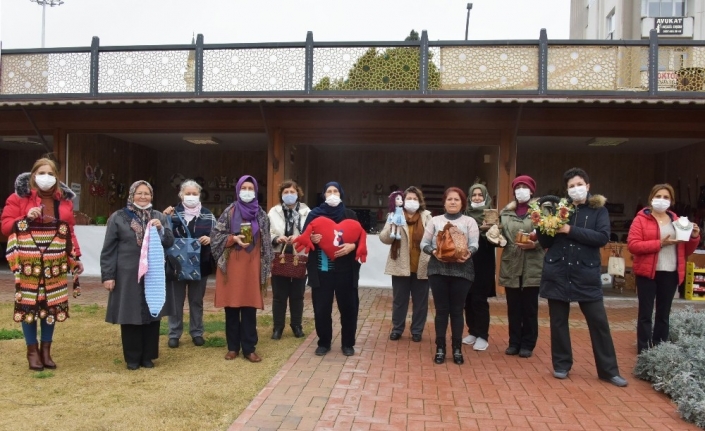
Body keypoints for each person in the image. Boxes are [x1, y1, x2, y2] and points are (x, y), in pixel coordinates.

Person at [538, 167, 628, 387]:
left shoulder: (599, 211)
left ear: (588, 186)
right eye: (571, 186)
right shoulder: (561, 209)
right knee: (558, 322)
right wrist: (542, 222)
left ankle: (608, 370)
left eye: (579, 185)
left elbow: (602, 237)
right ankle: (561, 365)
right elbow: (546, 243)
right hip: (558, 271)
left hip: (585, 273)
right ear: (566, 190)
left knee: (598, 322)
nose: (575, 189)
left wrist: (570, 230)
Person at [2, 157, 84, 371]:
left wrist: (75, 257)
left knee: (52, 303)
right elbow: (5, 227)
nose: (46, 177)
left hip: (55, 258)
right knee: (29, 303)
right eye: (41, 173)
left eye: (50, 174)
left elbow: (70, 231)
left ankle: (46, 351)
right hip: (29, 258)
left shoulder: (64, 200)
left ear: (56, 177)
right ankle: (32, 351)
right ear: (33, 176)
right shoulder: (18, 198)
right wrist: (25, 216)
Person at [101, 180, 174, 370]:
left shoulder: (158, 216)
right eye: (139, 193)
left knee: (152, 311)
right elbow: (108, 249)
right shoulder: (118, 217)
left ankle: (148, 356)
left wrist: (160, 228)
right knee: (130, 313)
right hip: (127, 275)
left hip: (153, 274)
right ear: (132, 195)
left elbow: (169, 241)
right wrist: (108, 275)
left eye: (147, 193)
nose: (143, 197)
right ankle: (132, 358)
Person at [628, 183, 701, 354]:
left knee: (663, 314)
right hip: (647, 273)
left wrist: (695, 237)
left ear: (672, 201)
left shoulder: (679, 222)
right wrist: (659, 244)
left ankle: (660, 350)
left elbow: (686, 250)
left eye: (666, 197)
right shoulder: (640, 219)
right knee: (645, 314)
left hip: (670, 273)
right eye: (658, 196)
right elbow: (633, 245)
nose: (662, 200)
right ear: (651, 198)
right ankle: (644, 350)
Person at [210, 175, 272, 363]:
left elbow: (267, 243)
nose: (247, 191)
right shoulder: (229, 211)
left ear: (255, 191)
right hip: (231, 267)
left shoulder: (261, 214)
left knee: (249, 308)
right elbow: (215, 237)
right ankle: (232, 347)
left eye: (250, 188)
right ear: (237, 190)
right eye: (243, 188)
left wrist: (266, 266)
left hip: (253, 266)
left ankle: (249, 348)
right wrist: (233, 239)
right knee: (232, 307)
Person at [302, 182, 362, 357]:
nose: (333, 194)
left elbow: (361, 237)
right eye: (329, 191)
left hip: (346, 272)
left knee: (349, 308)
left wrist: (352, 246)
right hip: (322, 271)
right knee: (321, 309)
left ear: (341, 193)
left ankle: (348, 344)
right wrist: (312, 238)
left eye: (336, 191)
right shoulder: (313, 215)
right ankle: (324, 342)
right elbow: (304, 237)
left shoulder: (350, 214)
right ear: (324, 194)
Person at [420, 187, 479, 365]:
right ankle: (440, 348)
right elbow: (424, 243)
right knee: (441, 311)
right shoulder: (435, 221)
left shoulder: (470, 221)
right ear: (444, 202)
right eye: (449, 199)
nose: (453, 202)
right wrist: (433, 252)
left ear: (462, 203)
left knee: (457, 311)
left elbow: (475, 244)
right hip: (438, 270)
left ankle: (457, 349)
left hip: (462, 271)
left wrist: (469, 253)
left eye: (457, 199)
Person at [163, 180, 217, 348]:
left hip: (200, 264)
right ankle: (174, 333)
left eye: (194, 194)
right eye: (188, 193)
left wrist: (210, 239)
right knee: (176, 300)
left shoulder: (208, 215)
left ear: (199, 195)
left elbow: (218, 235)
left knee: (196, 301)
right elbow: (163, 235)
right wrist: (163, 217)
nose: (191, 197)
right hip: (176, 265)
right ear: (181, 195)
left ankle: (197, 332)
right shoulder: (171, 213)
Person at [498, 175, 544, 358]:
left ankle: (528, 344)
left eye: (524, 187)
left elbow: (550, 234)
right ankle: (514, 342)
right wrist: (495, 237)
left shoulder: (541, 211)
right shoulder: (505, 213)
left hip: (532, 263)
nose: (521, 190)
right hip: (512, 262)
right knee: (513, 306)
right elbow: (499, 232)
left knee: (530, 307)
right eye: (518, 187)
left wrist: (536, 243)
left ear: (532, 190)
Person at [379, 186, 432, 342]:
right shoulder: (395, 214)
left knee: (421, 302)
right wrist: (391, 226)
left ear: (420, 201)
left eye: (415, 199)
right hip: (400, 264)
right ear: (402, 200)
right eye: (409, 198)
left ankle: (417, 331)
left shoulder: (427, 217)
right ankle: (397, 329)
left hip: (421, 265)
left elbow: (434, 238)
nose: (412, 201)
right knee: (399, 301)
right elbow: (384, 239)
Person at [267, 179, 311, 340]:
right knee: (279, 295)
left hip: (299, 257)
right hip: (280, 257)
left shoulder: (307, 211)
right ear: (281, 195)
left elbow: (311, 233)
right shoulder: (273, 211)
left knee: (297, 295)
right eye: (286, 192)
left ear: (298, 193)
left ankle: (296, 325)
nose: (289, 195)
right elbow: (267, 232)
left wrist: (298, 237)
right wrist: (277, 238)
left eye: (292, 192)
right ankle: (278, 327)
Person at [462, 183, 498, 352]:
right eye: (474, 195)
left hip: (484, 262)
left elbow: (497, 241)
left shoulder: (492, 215)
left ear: (485, 197)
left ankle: (483, 335)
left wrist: (490, 230)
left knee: (479, 299)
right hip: (466, 261)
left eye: (480, 195)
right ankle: (472, 331)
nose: (477, 198)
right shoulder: (465, 215)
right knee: (467, 299)